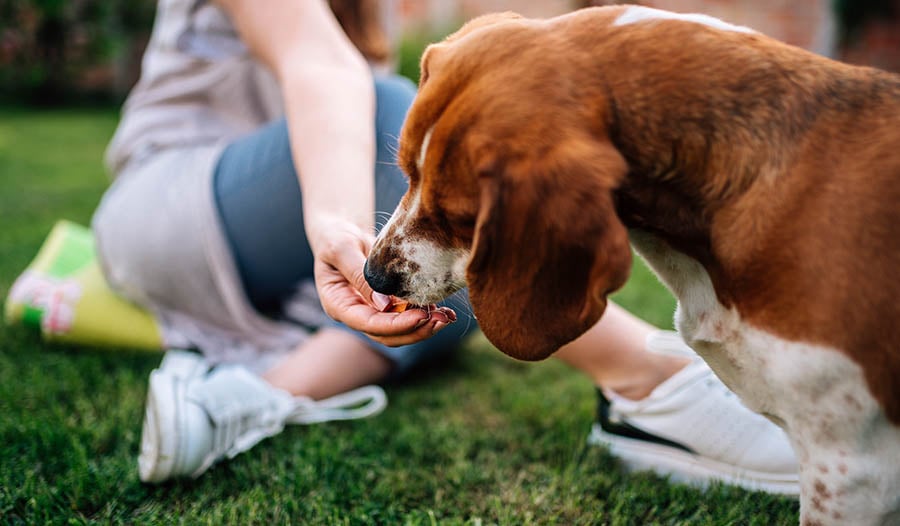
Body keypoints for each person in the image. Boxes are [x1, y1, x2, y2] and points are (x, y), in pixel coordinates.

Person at [91, 0, 798, 493]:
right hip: (171, 204)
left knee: (440, 296)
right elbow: (322, 67)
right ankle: (644, 380)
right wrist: (336, 224)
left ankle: (243, 399)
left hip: (278, 230)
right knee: (401, 104)